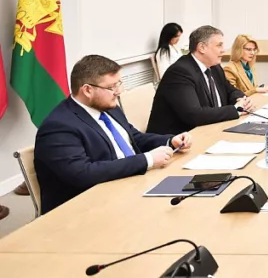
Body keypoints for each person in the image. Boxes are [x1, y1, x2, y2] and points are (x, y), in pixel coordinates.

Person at [34, 55, 192, 214]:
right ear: (87, 90)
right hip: (89, 208)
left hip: (132, 185)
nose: (119, 92)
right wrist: (147, 160)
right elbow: (82, 173)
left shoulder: (108, 107)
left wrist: (170, 141)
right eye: (111, 87)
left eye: (118, 84)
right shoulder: (59, 126)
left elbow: (133, 138)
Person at [147, 25, 253, 135]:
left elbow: (230, 90)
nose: (223, 50)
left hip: (209, 131)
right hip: (175, 139)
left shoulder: (215, 67)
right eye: (219, 45)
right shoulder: (180, 72)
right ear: (202, 48)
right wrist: (235, 109)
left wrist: (242, 100)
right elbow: (194, 115)